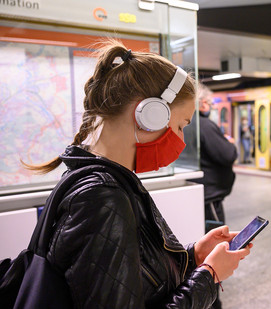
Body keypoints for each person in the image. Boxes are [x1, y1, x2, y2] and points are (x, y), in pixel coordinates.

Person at [23, 40, 251, 308]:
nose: (181, 140)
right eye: (180, 126)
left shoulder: (100, 181)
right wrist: (209, 277)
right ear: (150, 114)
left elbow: (133, 276)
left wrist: (192, 257)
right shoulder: (102, 198)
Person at [193, 83, 238, 309]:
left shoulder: (191, 125)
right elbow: (227, 154)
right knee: (215, 244)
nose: (209, 107)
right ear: (202, 104)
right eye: (209, 103)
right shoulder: (205, 125)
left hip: (200, 194)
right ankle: (212, 300)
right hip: (209, 199)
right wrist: (230, 144)